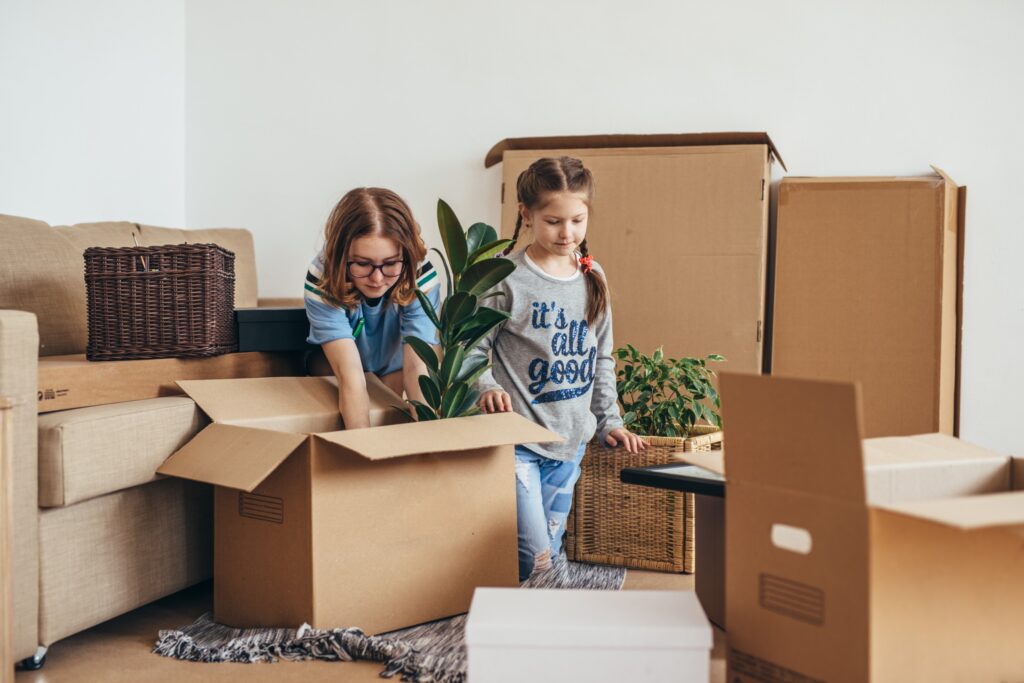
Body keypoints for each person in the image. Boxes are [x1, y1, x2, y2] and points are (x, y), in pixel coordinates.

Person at [467, 156, 645, 580]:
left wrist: (609, 421)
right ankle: (545, 609)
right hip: (519, 443)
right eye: (553, 221)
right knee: (536, 555)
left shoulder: (591, 274)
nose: (567, 233)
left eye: (577, 220)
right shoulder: (504, 278)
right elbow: (472, 347)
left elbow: (602, 356)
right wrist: (485, 384)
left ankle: (540, 620)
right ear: (526, 215)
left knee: (551, 543)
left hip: (570, 442)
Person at [304, 187, 440, 428]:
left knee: (390, 415)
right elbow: (350, 376)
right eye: (363, 264)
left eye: (389, 264)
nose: (377, 279)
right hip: (340, 368)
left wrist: (429, 442)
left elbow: (417, 368)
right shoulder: (322, 277)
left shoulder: (420, 275)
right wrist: (365, 452)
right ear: (341, 256)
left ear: (406, 256)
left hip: (394, 363)